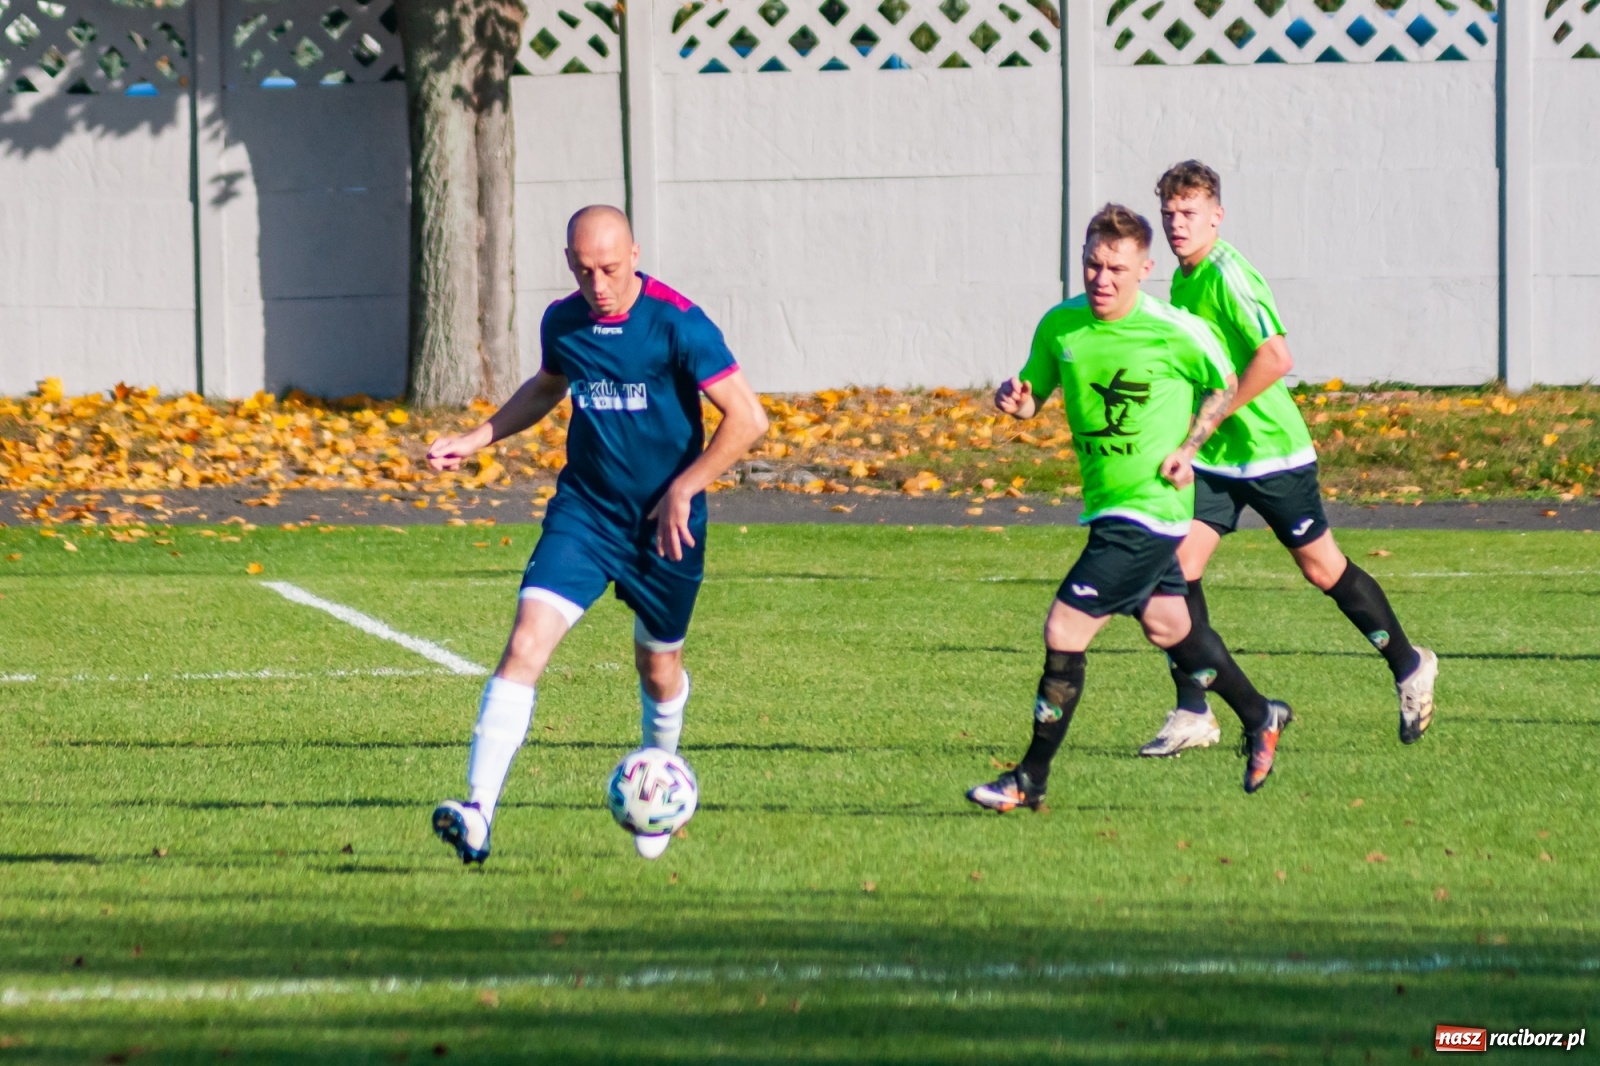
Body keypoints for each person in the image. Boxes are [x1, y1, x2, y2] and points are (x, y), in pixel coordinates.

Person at [424, 205, 769, 862]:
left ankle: (658, 788)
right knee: (525, 642)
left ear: (635, 254)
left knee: (658, 664)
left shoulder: (679, 324)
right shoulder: (565, 321)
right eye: (585, 272)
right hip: (585, 513)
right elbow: (547, 386)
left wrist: (684, 487)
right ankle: (477, 812)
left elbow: (749, 419)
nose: (599, 285)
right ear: (569, 265)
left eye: (610, 269)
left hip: (666, 527)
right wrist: (477, 437)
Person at [966, 203, 1294, 812]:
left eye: (1116, 267)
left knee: (1064, 629)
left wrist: (1190, 447)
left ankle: (1029, 778)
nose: (1102, 278)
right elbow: (1035, 389)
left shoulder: (1175, 329)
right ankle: (1260, 714)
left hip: (1149, 511)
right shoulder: (1060, 326)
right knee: (1169, 626)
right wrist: (1016, 400)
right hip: (1107, 502)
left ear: (1145, 268)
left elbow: (1225, 383)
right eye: (1092, 264)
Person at [1138, 160, 1436, 758]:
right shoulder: (1183, 278)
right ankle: (1195, 713)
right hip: (1217, 457)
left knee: (1322, 570)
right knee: (1174, 572)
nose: (1177, 224)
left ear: (1216, 216)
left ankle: (1410, 665)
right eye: (1169, 213)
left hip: (1273, 454)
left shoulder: (1228, 275)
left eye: (1189, 213)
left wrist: (1216, 415)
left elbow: (1276, 356)